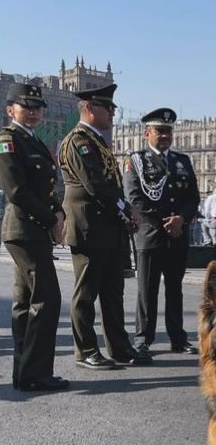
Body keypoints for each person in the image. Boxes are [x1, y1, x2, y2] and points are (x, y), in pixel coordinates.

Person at [59, 83, 151, 369]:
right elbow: (96, 185)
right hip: (89, 226)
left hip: (107, 227)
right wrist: (126, 210)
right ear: (88, 108)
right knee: (86, 292)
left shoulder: (98, 141)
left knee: (113, 292)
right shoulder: (79, 141)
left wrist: (125, 212)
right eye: (106, 107)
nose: (112, 113)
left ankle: (119, 348)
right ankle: (85, 349)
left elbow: (111, 185)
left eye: (113, 108)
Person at [0, 83, 69, 392]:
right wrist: (50, 217)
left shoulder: (35, 142)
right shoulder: (7, 140)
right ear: (10, 110)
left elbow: (46, 188)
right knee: (47, 298)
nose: (33, 112)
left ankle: (24, 373)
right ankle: (35, 373)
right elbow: (16, 191)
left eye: (37, 107)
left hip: (33, 228)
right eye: (26, 107)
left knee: (26, 302)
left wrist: (58, 212)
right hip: (23, 228)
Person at [122, 107, 200, 356]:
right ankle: (143, 338)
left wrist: (182, 219)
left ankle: (178, 338)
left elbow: (193, 197)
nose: (165, 135)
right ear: (147, 132)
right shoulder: (135, 160)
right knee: (147, 289)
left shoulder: (182, 161)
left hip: (177, 234)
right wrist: (166, 222)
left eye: (168, 131)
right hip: (150, 234)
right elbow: (134, 198)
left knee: (175, 289)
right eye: (159, 130)